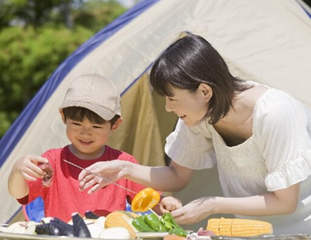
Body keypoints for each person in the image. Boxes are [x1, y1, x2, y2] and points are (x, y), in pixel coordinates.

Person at [78, 35, 311, 237]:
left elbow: (286, 201)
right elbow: (177, 177)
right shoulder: (199, 116)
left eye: (172, 98)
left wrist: (212, 205)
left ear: (204, 91)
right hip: (274, 223)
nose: (168, 107)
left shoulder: (275, 112)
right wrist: (124, 169)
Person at [8, 73, 181, 222]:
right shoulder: (52, 161)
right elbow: (20, 195)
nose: (85, 133)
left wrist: (165, 204)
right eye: (76, 123)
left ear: (115, 124)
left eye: (96, 127)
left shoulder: (122, 164)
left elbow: (149, 201)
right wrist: (17, 170)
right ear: (63, 117)